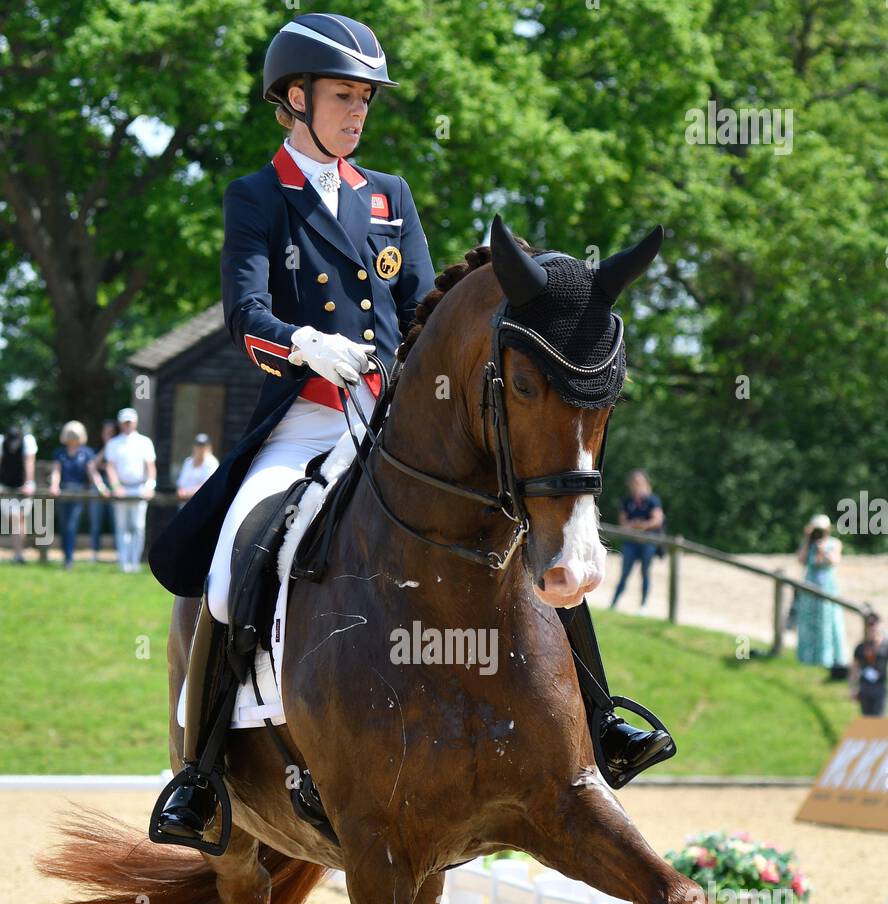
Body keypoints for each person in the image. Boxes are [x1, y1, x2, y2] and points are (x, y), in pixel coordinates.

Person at [148, 12, 678, 843]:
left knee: (520, 526)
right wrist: (304, 344)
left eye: (364, 99)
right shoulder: (257, 197)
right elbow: (245, 311)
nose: (358, 113)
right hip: (303, 417)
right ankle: (203, 771)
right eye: (342, 97)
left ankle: (603, 717)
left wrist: (402, 371)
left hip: (391, 419)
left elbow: (424, 309)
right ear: (294, 99)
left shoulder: (389, 196)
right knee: (237, 553)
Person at [104, 407, 156, 572]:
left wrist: (149, 486)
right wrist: (116, 487)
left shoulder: (144, 442)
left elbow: (150, 467)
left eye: (130, 422)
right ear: (120, 423)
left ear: (135, 422)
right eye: (125, 422)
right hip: (121, 489)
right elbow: (110, 468)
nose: (127, 425)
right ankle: (124, 562)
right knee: (122, 526)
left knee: (138, 526)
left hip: (139, 488)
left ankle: (134, 562)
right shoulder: (113, 443)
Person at [795, 513, 846, 671]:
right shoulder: (809, 544)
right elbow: (801, 560)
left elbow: (834, 561)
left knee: (829, 622)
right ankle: (807, 658)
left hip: (827, 588)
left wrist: (823, 549)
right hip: (810, 588)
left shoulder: (834, 543)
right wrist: (806, 538)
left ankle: (829, 659)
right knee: (808, 622)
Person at [610, 469, 664, 614]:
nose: (637, 485)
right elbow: (623, 522)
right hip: (631, 542)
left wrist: (640, 525)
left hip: (647, 542)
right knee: (624, 573)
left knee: (645, 572)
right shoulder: (627, 500)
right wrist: (637, 525)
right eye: (634, 482)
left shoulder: (652, 500)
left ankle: (643, 605)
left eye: (639, 482)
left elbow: (657, 520)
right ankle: (614, 603)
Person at [49, 421, 95, 568]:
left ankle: (69, 558)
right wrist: (54, 486)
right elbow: (56, 471)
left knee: (71, 525)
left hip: (78, 492)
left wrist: (101, 487)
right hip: (63, 492)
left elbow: (92, 472)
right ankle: (66, 556)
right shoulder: (60, 453)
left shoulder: (86, 452)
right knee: (63, 525)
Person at [0, 424, 37, 563]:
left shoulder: (28, 442)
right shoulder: (1, 442)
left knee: (21, 519)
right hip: (5, 486)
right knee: (14, 518)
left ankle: (19, 553)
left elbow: (29, 463)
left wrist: (28, 483)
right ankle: (18, 554)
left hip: (22, 485)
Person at [87, 420, 117, 562]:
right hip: (98, 489)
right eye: (106, 432)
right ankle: (94, 554)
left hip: (115, 488)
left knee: (116, 523)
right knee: (96, 523)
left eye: (111, 433)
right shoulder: (98, 448)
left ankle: (119, 554)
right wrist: (107, 447)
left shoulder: (120, 447)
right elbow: (93, 465)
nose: (109, 435)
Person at [850, 613, 887, 717]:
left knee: (878, 718)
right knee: (866, 719)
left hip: (879, 686)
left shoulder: (884, 646)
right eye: (870, 625)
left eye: (874, 624)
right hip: (865, 686)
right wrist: (853, 688)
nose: (872, 628)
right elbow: (854, 669)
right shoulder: (861, 647)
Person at [176, 433, 220, 506]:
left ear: (209, 447)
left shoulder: (212, 463)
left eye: (203, 446)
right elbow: (181, 483)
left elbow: (208, 486)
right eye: (198, 445)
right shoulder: (188, 462)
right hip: (184, 505)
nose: (200, 448)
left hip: (203, 505)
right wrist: (181, 492)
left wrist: (187, 493)